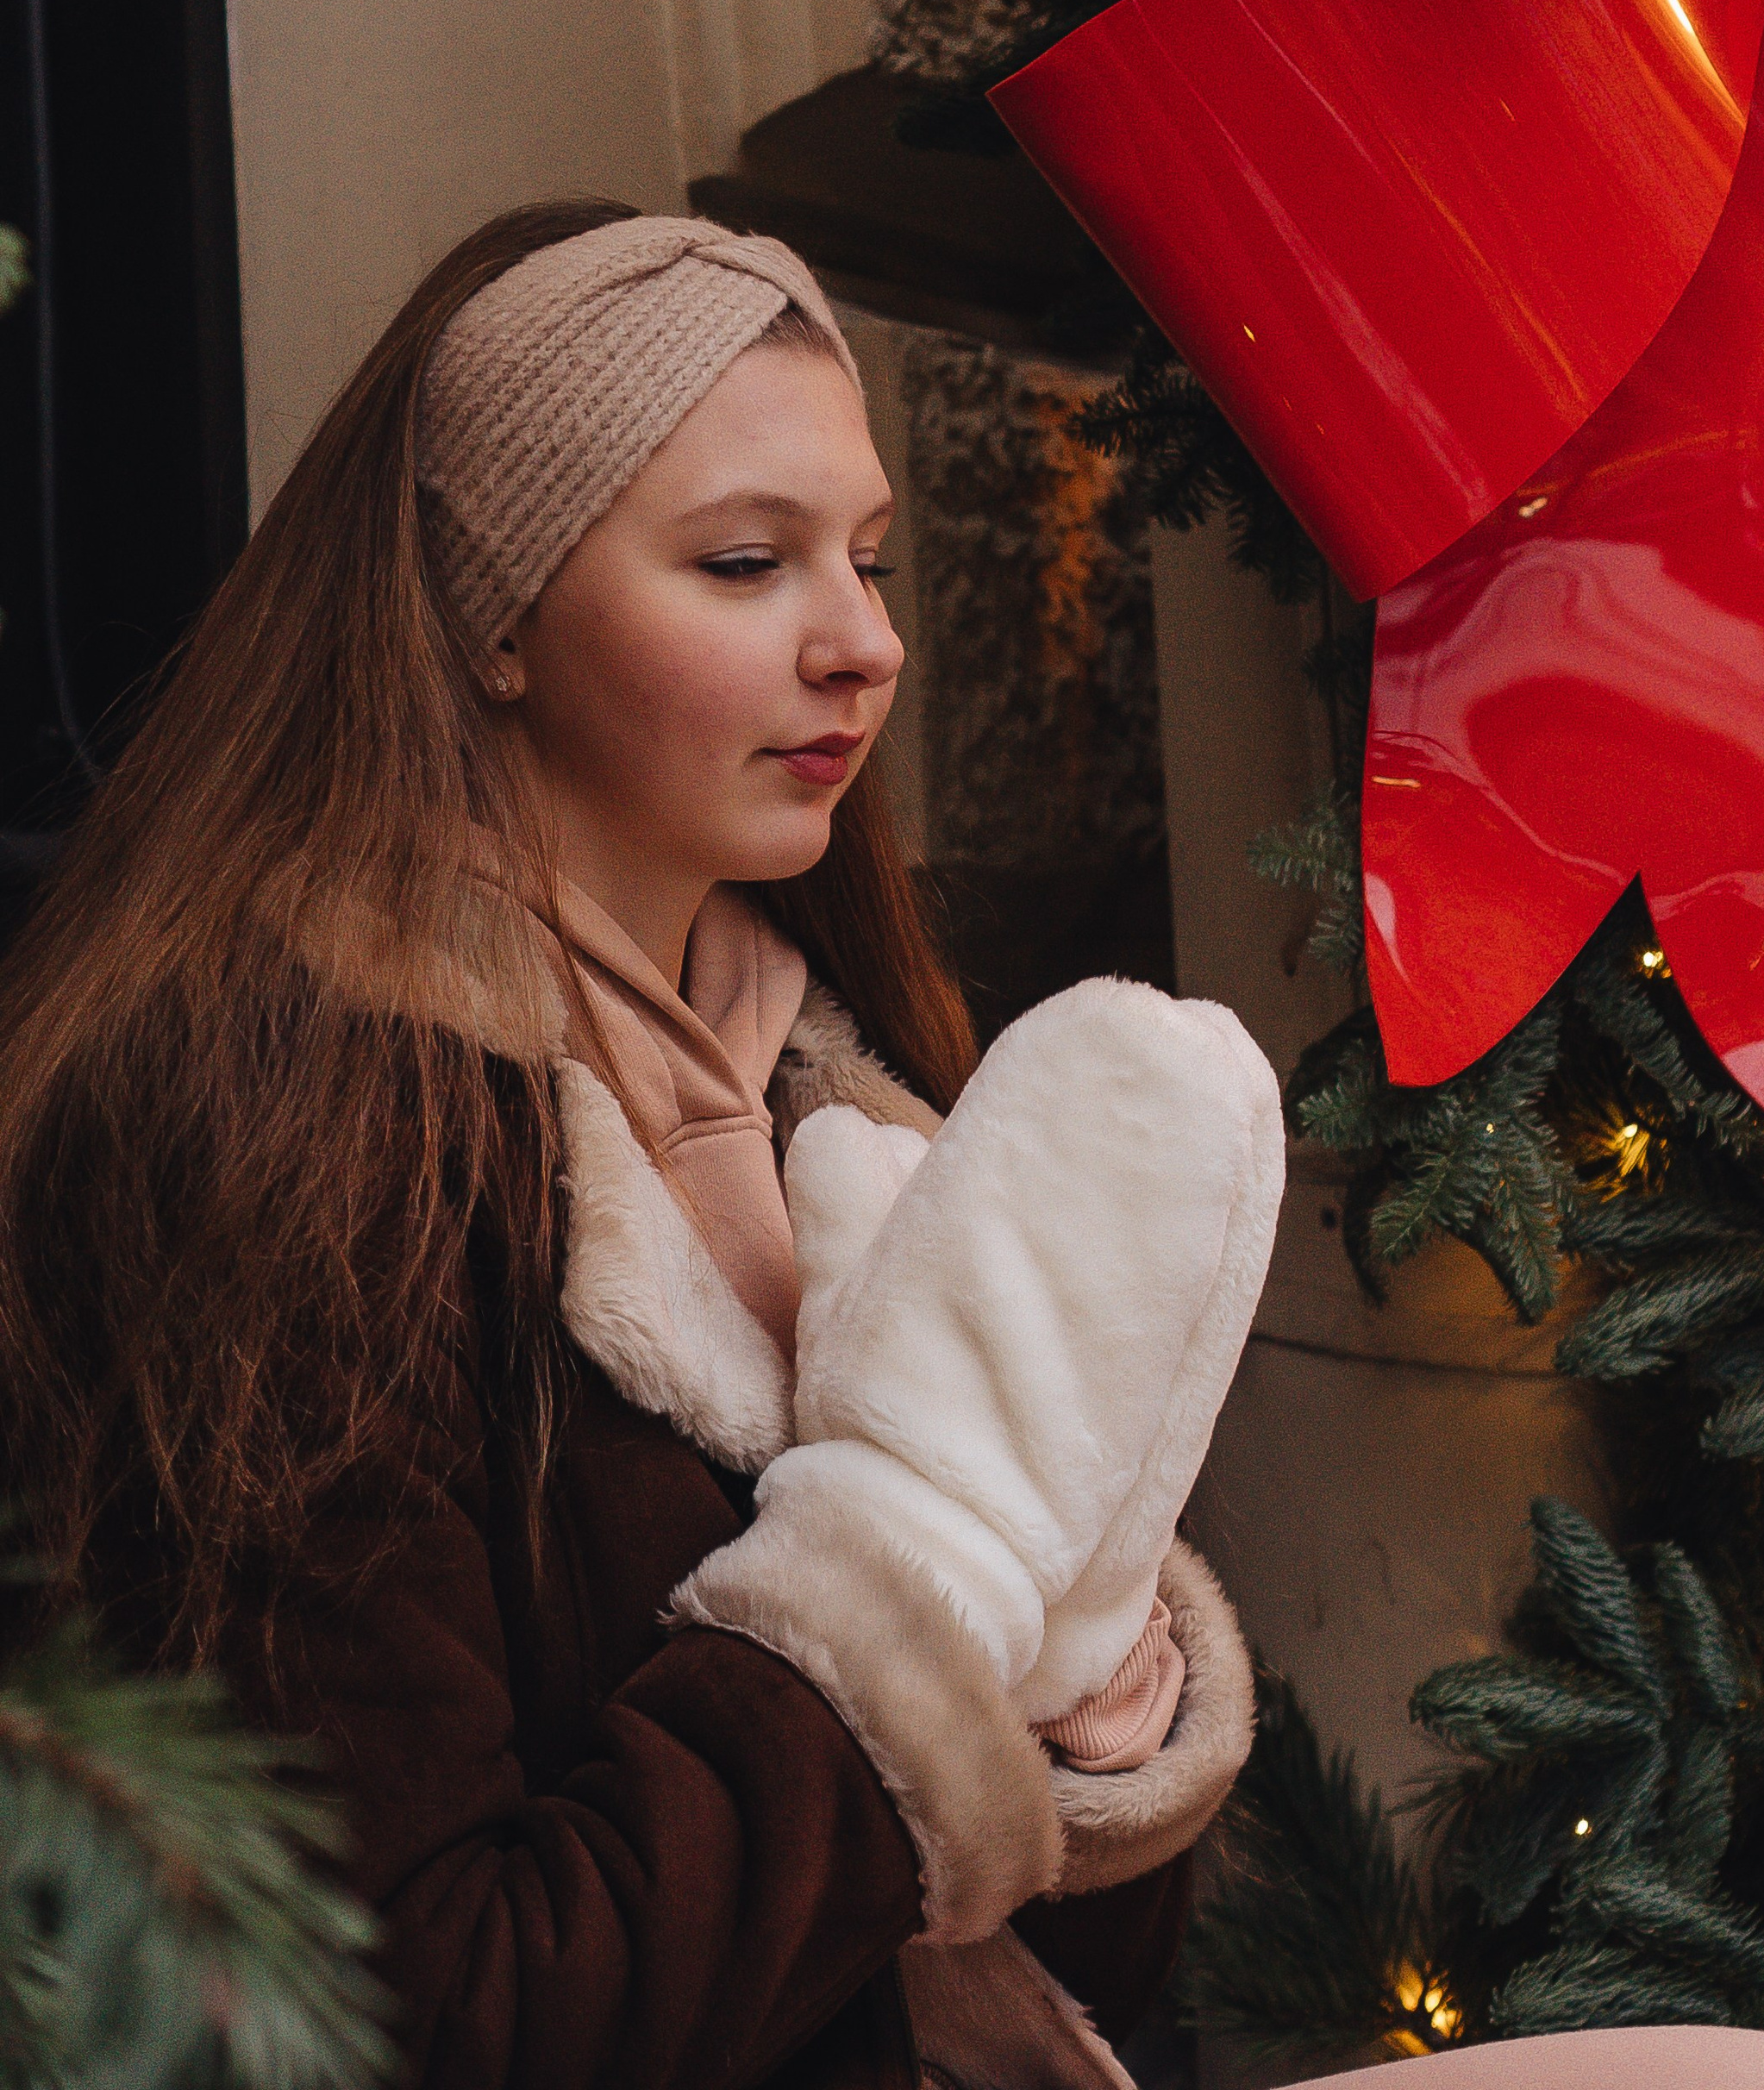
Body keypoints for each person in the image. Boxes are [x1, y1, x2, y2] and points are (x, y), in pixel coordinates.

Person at [0, 203, 1284, 2090]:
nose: (863, 644)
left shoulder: (835, 1092)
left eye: (866, 559)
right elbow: (418, 2019)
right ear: (494, 617)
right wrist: (904, 1606)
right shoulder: (278, 1146)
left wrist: (1092, 1698)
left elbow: (1083, 1961)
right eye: (748, 563)